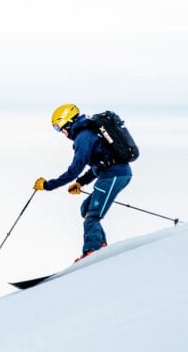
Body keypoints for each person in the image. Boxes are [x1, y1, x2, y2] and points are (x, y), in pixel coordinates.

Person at [33, 103, 132, 261]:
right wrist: (80, 183)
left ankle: (93, 251)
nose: (61, 132)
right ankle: (101, 247)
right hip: (112, 174)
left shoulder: (83, 137)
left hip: (114, 175)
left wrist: (48, 185)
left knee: (92, 216)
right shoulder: (87, 133)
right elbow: (100, 164)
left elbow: (75, 169)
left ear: (68, 122)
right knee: (86, 208)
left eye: (59, 128)